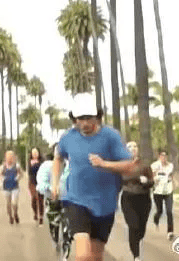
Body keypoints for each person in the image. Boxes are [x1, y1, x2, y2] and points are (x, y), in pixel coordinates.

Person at [51, 92, 136, 261]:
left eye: (89, 118)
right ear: (74, 119)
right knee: (83, 255)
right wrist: (54, 183)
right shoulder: (68, 138)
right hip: (77, 200)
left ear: (97, 116)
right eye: (80, 119)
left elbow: (129, 165)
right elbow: (58, 157)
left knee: (96, 257)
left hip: (105, 203)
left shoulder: (110, 136)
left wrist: (105, 164)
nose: (84, 123)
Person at [120, 141, 154, 261]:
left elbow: (152, 181)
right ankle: (136, 256)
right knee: (133, 225)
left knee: (141, 230)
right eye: (129, 146)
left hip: (144, 198)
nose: (133, 148)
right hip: (128, 198)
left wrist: (146, 181)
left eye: (135, 146)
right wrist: (136, 177)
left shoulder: (144, 164)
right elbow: (120, 179)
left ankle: (135, 242)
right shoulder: (122, 164)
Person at [151, 149, 175, 240]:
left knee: (169, 211)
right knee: (160, 211)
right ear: (159, 156)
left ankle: (170, 231)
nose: (163, 157)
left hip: (168, 190)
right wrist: (155, 179)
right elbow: (152, 176)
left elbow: (171, 176)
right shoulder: (155, 165)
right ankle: (156, 219)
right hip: (158, 191)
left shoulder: (170, 166)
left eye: (165, 156)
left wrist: (173, 183)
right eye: (162, 156)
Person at [0, 150, 23, 224]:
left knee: (14, 203)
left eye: (11, 157)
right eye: (8, 157)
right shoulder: (3, 167)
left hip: (15, 187)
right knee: (8, 203)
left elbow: (21, 174)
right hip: (6, 187)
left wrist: (17, 178)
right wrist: (2, 178)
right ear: (6, 158)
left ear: (13, 158)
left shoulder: (16, 166)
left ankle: (15, 213)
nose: (9, 159)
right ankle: (10, 217)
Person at [28, 147, 45, 224]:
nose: (35, 154)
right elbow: (29, 173)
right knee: (34, 199)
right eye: (33, 153)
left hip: (41, 182)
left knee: (40, 199)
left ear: (38, 153)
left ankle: (41, 216)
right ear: (31, 154)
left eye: (36, 152)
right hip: (32, 182)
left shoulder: (42, 162)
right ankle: (35, 213)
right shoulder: (29, 162)